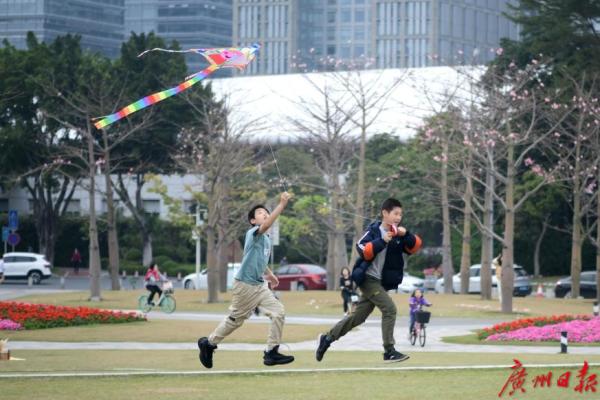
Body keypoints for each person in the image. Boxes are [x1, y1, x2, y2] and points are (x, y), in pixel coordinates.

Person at [316, 198, 423, 363]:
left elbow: (415, 247)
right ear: (385, 213)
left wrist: (405, 234)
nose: (398, 217)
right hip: (367, 279)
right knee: (390, 309)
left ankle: (328, 338)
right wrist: (382, 240)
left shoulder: (398, 235)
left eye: (400, 214)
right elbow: (363, 250)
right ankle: (389, 351)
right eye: (395, 213)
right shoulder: (374, 231)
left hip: (380, 283)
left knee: (357, 318)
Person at [198, 192, 295, 368]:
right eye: (260, 212)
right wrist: (281, 205)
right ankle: (209, 343)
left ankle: (271, 353)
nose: (264, 213)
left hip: (259, 285)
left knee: (278, 312)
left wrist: (270, 274)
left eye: (266, 211)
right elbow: (266, 225)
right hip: (244, 286)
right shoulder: (254, 234)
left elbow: (258, 259)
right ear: (252, 221)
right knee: (235, 320)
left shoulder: (265, 239)